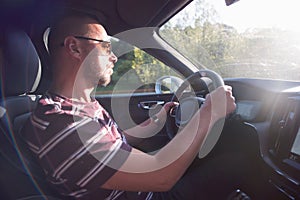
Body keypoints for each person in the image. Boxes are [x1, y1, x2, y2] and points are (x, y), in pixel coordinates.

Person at [21, 12, 236, 200]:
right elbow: (160, 176)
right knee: (239, 163)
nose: (114, 57)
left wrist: (155, 121)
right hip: (153, 194)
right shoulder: (62, 123)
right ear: (74, 48)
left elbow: (115, 141)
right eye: (106, 47)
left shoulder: (80, 106)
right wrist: (210, 112)